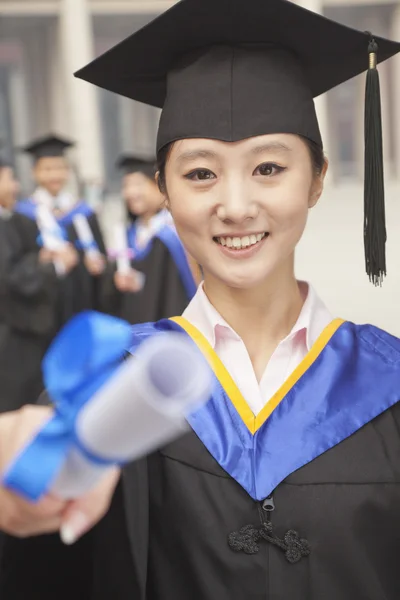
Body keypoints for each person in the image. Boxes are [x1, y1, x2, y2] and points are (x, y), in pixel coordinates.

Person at [3, 0, 400, 598]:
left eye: (269, 167)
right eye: (200, 173)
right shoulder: (107, 388)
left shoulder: (388, 381)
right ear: (163, 189)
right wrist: (23, 507)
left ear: (317, 178)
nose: (236, 205)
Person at [0, 160, 77, 413]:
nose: (15, 186)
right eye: (10, 179)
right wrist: (56, 267)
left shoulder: (11, 220)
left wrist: (41, 258)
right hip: (13, 336)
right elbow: (11, 279)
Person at [16, 135, 107, 320]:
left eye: (60, 168)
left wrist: (98, 265)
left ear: (67, 171)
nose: (54, 175)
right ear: (35, 172)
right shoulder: (23, 214)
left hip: (81, 304)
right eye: (47, 169)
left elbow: (101, 256)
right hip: (42, 312)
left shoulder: (82, 212)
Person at [101, 154, 199, 324]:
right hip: (132, 330)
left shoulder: (173, 234)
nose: (131, 193)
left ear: (159, 187)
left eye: (138, 184)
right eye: (126, 186)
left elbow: (175, 291)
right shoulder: (127, 235)